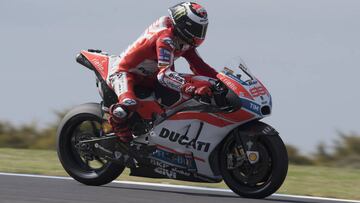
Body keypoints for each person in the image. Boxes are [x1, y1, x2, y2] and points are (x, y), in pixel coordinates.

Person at [106, 2, 218, 142]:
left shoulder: (184, 41)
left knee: (177, 100)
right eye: (195, 28)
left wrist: (223, 81)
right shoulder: (166, 38)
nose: (199, 34)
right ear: (183, 24)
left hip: (150, 77)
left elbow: (200, 67)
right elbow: (164, 75)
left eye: (202, 29)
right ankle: (116, 122)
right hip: (125, 73)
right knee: (129, 103)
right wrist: (193, 88)